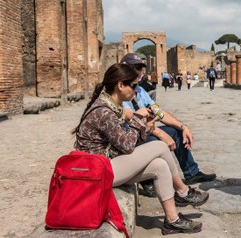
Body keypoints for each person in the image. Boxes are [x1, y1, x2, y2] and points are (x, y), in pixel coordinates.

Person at [72, 63, 208, 235]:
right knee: (159, 146)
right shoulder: (104, 112)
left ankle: (172, 220)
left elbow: (129, 138)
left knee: (159, 165)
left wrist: (148, 125)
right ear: (120, 85)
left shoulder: (113, 106)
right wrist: (137, 118)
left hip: (108, 164)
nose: (136, 90)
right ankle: (183, 191)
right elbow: (128, 145)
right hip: (97, 170)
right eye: (133, 86)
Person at [120, 53, 216, 196]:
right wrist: (160, 133)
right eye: (136, 67)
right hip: (129, 139)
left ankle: (192, 173)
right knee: (157, 143)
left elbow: (159, 113)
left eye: (141, 68)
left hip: (143, 132)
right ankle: (149, 180)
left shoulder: (140, 91)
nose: (140, 72)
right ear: (125, 68)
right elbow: (131, 121)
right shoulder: (120, 90)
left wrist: (183, 126)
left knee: (176, 131)